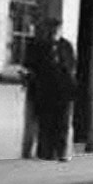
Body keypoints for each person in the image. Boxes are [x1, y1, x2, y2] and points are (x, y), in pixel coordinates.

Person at [24, 17, 77, 162]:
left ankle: (61, 152)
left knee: (62, 122)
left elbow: (71, 65)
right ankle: (45, 152)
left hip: (64, 89)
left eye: (57, 29)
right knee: (46, 121)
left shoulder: (66, 46)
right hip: (45, 89)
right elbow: (31, 65)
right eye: (51, 29)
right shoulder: (39, 46)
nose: (54, 32)